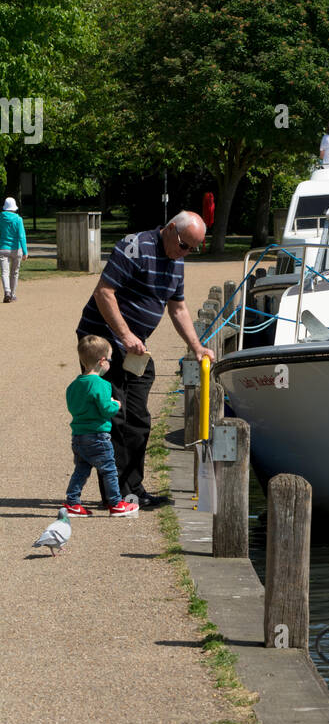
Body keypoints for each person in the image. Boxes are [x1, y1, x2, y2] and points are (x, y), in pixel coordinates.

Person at [76, 211, 209, 508]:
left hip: (135, 348)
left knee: (138, 419)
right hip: (103, 342)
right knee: (115, 415)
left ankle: (132, 489)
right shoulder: (134, 247)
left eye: (193, 249)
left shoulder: (177, 261)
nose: (186, 252)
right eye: (185, 245)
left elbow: (178, 308)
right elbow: (104, 293)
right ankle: (117, 495)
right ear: (171, 229)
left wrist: (197, 347)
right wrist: (124, 336)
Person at [64, 336, 139, 517]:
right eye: (110, 360)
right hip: (98, 435)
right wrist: (116, 404)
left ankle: (72, 502)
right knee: (109, 469)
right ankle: (115, 503)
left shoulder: (74, 385)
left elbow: (73, 406)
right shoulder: (102, 384)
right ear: (102, 361)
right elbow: (106, 409)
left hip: (79, 436)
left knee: (81, 470)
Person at [0, 196, 27, 302]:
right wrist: (25, 251)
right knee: (15, 272)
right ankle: (13, 294)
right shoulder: (18, 219)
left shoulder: (1, 217)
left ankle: (7, 291)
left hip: (2, 248)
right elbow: (22, 236)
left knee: (4, 272)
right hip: (16, 249)